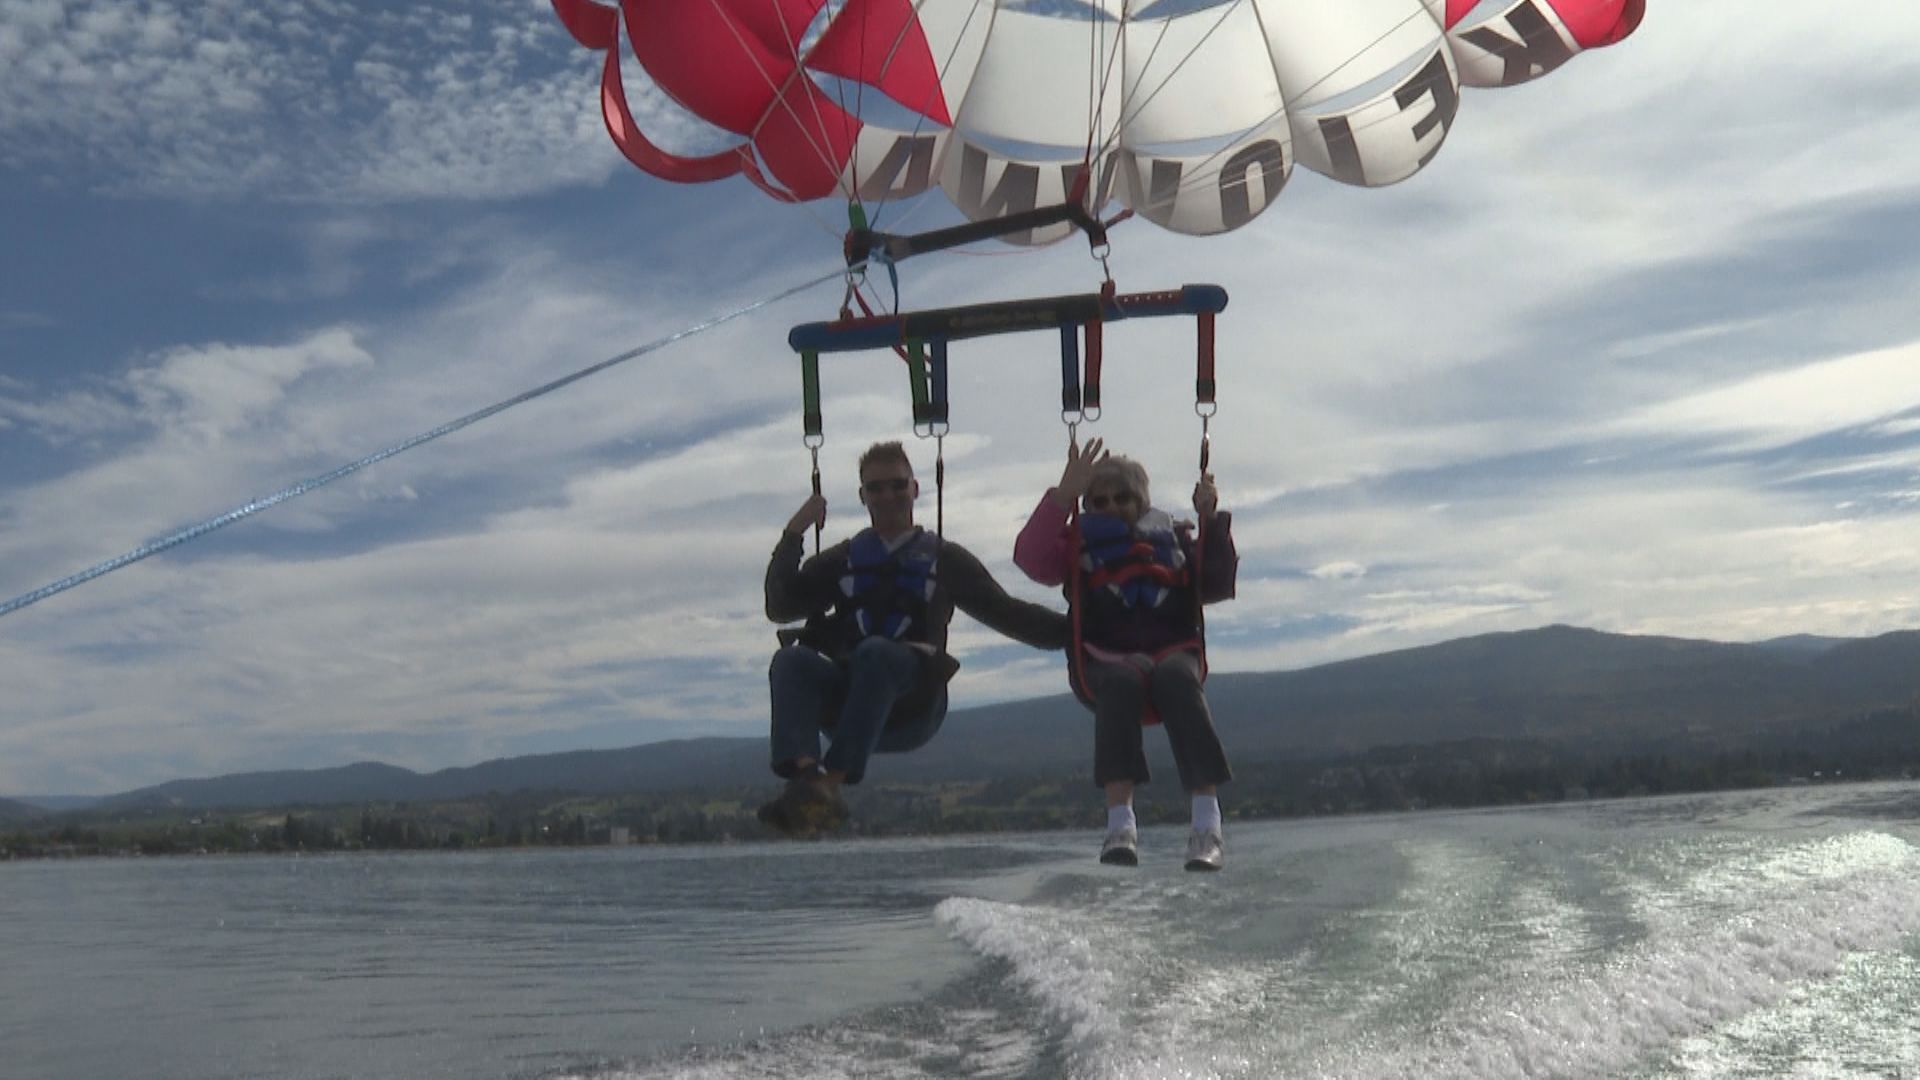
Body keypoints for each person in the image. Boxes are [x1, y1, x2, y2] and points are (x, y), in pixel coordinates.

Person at [760, 440, 1069, 836]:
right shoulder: (843, 560)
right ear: (862, 496)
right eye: (875, 488)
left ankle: (830, 783)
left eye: (896, 485)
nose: (887, 495)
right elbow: (780, 606)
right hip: (848, 704)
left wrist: (1081, 629)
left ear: (915, 489)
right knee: (790, 661)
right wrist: (793, 533)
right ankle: (806, 778)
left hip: (914, 708)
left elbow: (1009, 614)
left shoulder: (946, 561)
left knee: (876, 652)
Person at [1013, 437, 1238, 871]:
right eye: (1099, 501)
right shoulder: (1076, 547)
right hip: (1105, 658)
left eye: (1124, 498)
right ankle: (1121, 825)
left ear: (1143, 501)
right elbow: (1031, 559)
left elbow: (1215, 584)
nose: (1112, 507)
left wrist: (1210, 520)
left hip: (1174, 650)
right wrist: (1063, 495)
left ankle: (1207, 825)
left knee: (1176, 678)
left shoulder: (1173, 541)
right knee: (1121, 681)